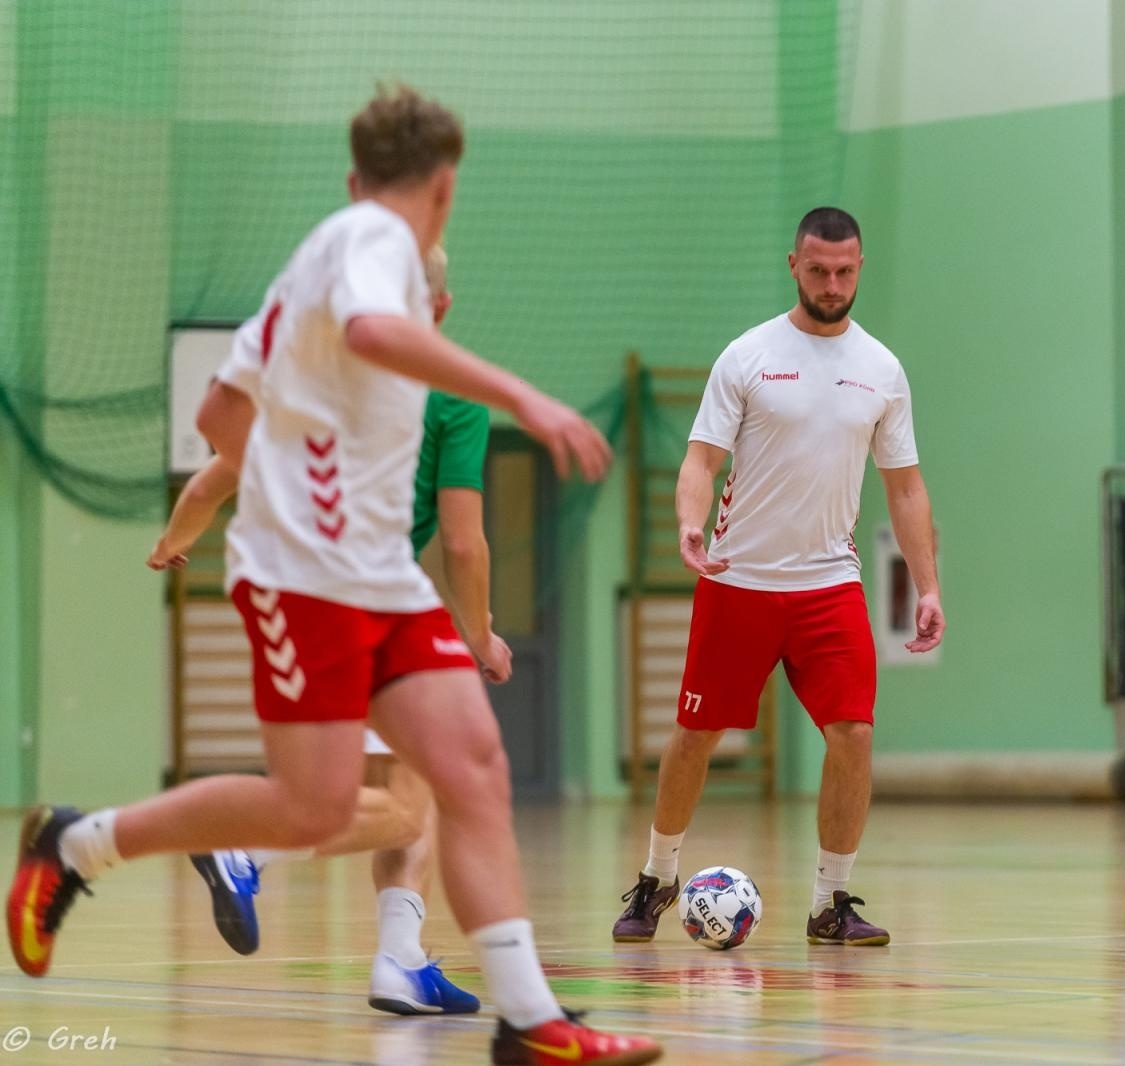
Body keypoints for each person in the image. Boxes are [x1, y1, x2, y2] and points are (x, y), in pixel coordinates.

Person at [9, 85, 659, 1066]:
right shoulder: (378, 244)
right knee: (311, 804)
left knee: (472, 766)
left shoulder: (303, 273)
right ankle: (76, 843)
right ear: (444, 187)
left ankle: (529, 1020)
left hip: (376, 574)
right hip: (304, 577)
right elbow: (368, 337)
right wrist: (521, 392)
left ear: (358, 174)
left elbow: (221, 421)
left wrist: (303, 452)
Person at [149, 246, 501, 1017]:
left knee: (405, 791)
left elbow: (213, 480)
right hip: (363, 607)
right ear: (439, 308)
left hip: (289, 607)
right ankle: (247, 851)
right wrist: (481, 636)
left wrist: (174, 541)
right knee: (408, 805)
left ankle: (400, 963)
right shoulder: (451, 393)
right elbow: (465, 543)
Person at [610, 206, 944, 947]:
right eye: (819, 269)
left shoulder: (882, 370)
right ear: (794, 264)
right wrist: (689, 526)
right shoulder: (749, 355)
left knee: (853, 732)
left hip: (830, 583)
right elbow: (701, 460)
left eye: (846, 270)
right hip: (740, 580)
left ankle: (833, 901)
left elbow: (907, 487)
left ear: (861, 267)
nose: (833, 283)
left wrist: (926, 586)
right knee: (696, 734)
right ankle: (657, 878)